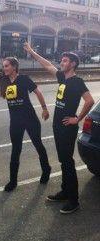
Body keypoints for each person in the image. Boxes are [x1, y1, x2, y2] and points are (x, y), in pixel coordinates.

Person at [24, 42, 95, 214]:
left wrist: (77, 118)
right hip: (58, 125)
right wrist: (32, 51)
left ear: (73, 64)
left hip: (66, 127)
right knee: (63, 160)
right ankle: (65, 191)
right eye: (61, 61)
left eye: (65, 61)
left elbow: (90, 101)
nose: (61, 63)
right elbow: (47, 64)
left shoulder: (77, 82)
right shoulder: (63, 78)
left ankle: (73, 200)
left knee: (67, 161)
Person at [0, 53, 51, 192]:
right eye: (3, 66)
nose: (4, 68)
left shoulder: (24, 79)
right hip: (15, 122)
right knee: (16, 150)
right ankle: (13, 181)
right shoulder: (3, 79)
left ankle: (46, 169)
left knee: (38, 145)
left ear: (14, 67)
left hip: (30, 119)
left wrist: (44, 109)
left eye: (6, 66)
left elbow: (38, 92)